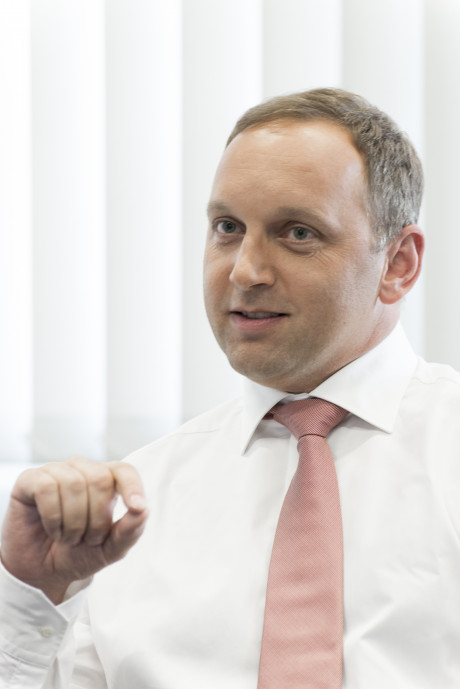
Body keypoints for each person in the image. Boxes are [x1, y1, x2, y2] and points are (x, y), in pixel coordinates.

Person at [1, 87, 459, 688]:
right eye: (227, 227)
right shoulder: (134, 505)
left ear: (398, 263)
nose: (245, 270)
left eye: (298, 233)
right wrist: (33, 591)